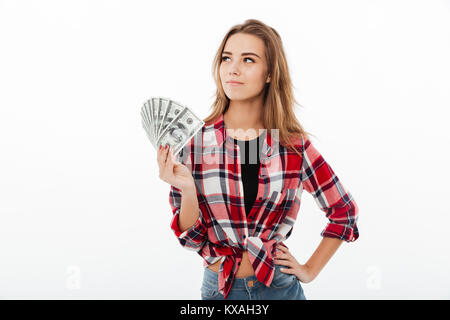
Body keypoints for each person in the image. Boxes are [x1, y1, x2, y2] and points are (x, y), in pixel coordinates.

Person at [156, 19, 359, 300]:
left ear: (269, 73)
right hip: (220, 290)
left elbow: (343, 211)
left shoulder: (293, 146)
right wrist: (188, 190)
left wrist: (309, 270)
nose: (233, 69)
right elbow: (191, 239)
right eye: (227, 58)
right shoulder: (196, 143)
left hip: (279, 289)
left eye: (248, 59)